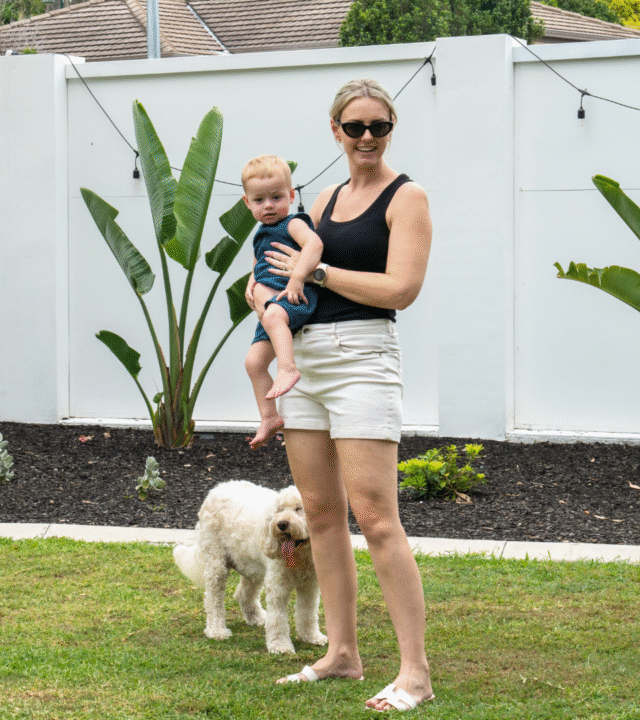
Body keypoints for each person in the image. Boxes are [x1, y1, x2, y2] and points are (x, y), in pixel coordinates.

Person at [259, 79, 435, 712]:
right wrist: (265, 299)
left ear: (391, 130)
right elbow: (277, 268)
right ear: (335, 130)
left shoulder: (405, 196)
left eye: (378, 127)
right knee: (321, 511)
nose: (367, 138)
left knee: (376, 517)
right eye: (354, 127)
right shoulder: (323, 199)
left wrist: (321, 271)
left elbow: (401, 290)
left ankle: (414, 672)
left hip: (363, 357)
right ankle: (342, 654)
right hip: (304, 361)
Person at [241, 155, 325, 450]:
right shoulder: (259, 235)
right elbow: (258, 265)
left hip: (295, 297)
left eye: (276, 197)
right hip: (272, 309)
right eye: (259, 199)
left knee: (275, 316)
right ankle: (269, 416)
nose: (268, 205)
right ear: (247, 203)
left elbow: (314, 244)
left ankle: (288, 368)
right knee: (253, 363)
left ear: (291, 196)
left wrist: (298, 278)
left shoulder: (293, 223)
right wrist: (252, 281)